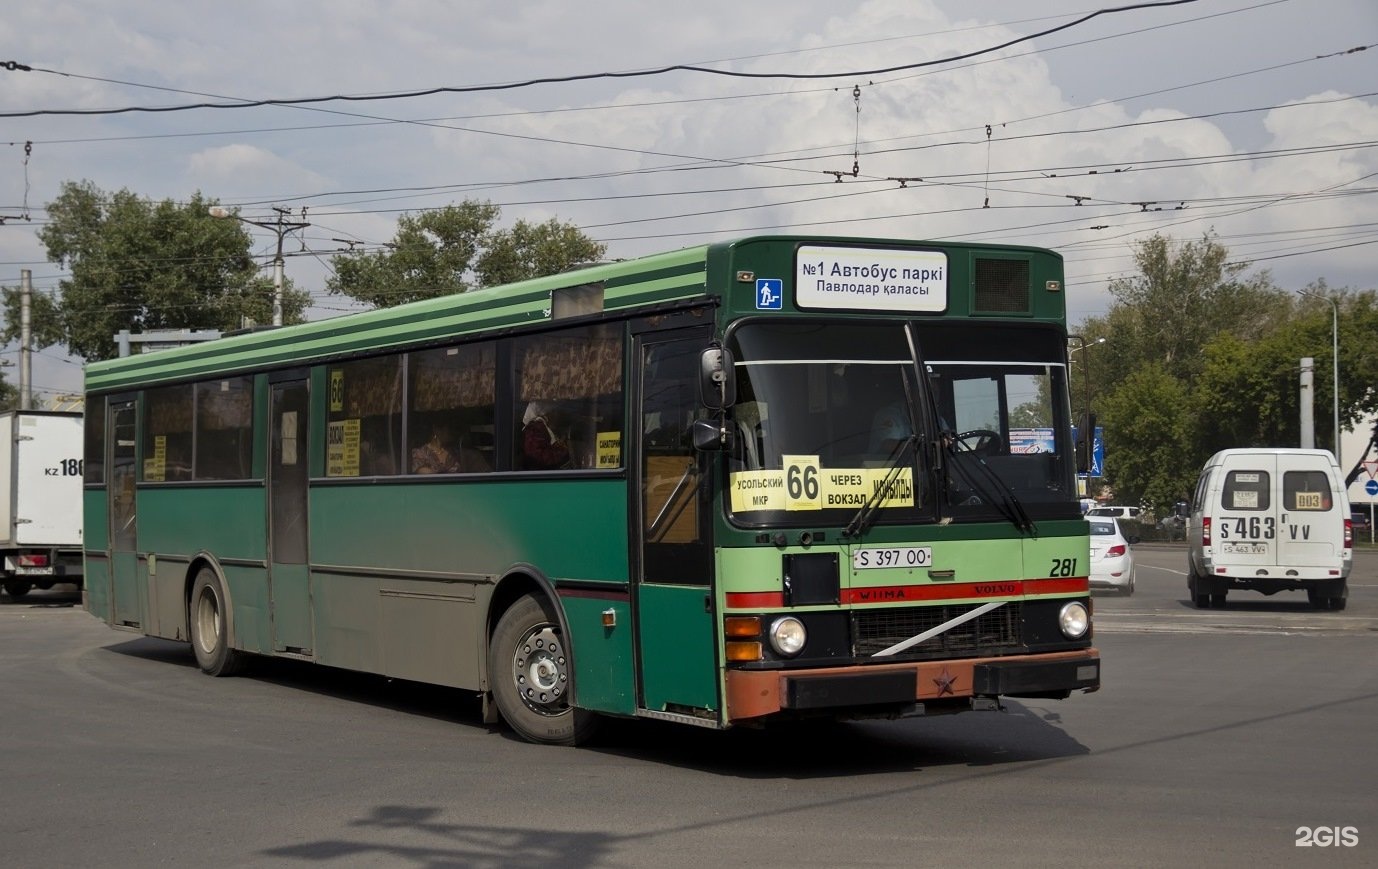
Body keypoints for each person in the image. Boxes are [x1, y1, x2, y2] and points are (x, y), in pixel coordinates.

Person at [522, 401, 572, 470]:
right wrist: (562, 453)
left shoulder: (544, 426)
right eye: (554, 411)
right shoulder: (536, 428)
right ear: (547, 413)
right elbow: (538, 456)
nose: (557, 415)